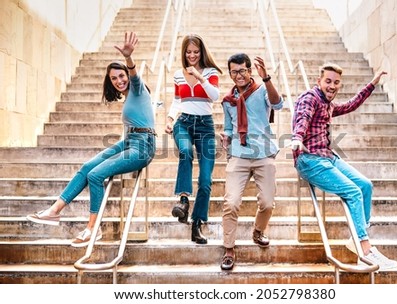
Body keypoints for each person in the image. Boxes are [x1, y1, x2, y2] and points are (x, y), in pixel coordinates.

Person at [26, 32, 156, 248]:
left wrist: (128, 58)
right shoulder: (128, 98)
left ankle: (92, 230)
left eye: (121, 76)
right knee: (87, 167)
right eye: (114, 79)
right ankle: (54, 211)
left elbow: (133, 74)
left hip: (144, 145)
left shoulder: (138, 89)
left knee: (96, 175)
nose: (119, 81)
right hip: (129, 140)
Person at [291, 62, 397, 270]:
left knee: (365, 186)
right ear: (319, 81)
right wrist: (296, 137)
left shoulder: (329, 105)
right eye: (328, 81)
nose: (332, 86)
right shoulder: (310, 97)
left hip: (327, 157)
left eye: (336, 83)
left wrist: (373, 83)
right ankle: (365, 249)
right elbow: (303, 117)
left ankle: (356, 240)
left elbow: (351, 104)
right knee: (353, 191)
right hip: (310, 159)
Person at [220, 53, 284, 270]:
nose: (238, 75)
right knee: (231, 203)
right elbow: (228, 127)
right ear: (230, 73)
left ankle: (258, 231)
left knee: (267, 202)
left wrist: (266, 78)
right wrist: (226, 136)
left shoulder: (262, 91)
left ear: (249, 71)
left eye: (242, 71)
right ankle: (229, 248)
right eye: (234, 71)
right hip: (238, 154)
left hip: (263, 154)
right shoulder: (227, 101)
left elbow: (278, 104)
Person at [164, 34, 222, 244]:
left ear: (202, 52)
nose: (192, 55)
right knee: (186, 152)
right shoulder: (178, 75)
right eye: (188, 52)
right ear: (184, 53)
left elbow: (215, 96)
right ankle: (183, 200)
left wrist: (199, 76)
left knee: (206, 181)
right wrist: (170, 119)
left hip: (206, 126)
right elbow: (177, 100)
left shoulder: (210, 72)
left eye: (196, 52)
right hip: (184, 123)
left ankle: (197, 224)